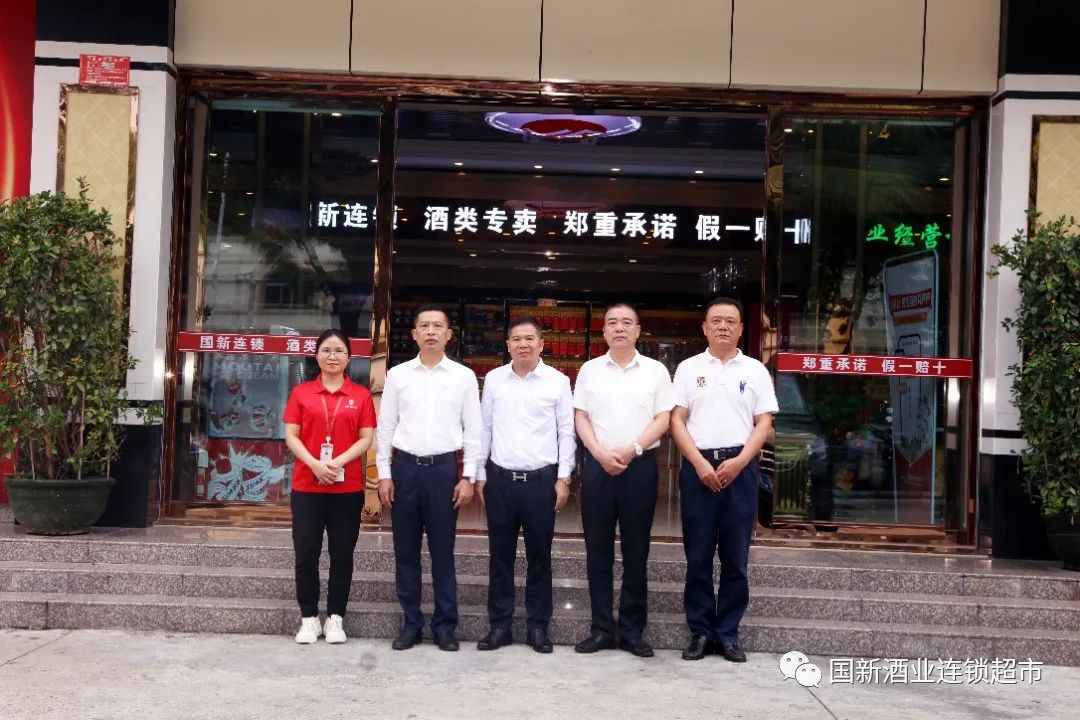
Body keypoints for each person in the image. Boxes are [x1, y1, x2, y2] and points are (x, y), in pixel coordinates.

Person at [669, 297, 778, 662]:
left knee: (736, 557)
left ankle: (728, 633)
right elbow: (676, 421)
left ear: (741, 329)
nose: (723, 326)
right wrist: (699, 463)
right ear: (704, 328)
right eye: (715, 320)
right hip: (698, 467)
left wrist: (740, 462)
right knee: (698, 555)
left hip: (741, 469)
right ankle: (700, 631)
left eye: (730, 321)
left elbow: (764, 423)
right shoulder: (688, 368)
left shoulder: (755, 370)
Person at [376, 305, 481, 652]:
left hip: (443, 472)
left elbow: (474, 430)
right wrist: (384, 474)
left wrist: (468, 476)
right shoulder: (398, 375)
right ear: (414, 334)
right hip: (405, 470)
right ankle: (411, 623)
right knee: (405, 552)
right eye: (424, 326)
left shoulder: (464, 377)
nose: (431, 331)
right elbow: (386, 427)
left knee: (442, 552)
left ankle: (445, 626)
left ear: (449, 334)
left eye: (438, 326)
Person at [572, 303, 674, 658]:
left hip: (639, 468)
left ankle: (632, 631)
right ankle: (601, 629)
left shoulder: (656, 371)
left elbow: (663, 418)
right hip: (598, 467)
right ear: (603, 331)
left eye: (626, 322)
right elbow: (581, 416)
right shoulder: (589, 370)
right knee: (597, 551)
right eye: (612, 323)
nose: (619, 328)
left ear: (637, 330)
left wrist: (632, 450)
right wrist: (599, 453)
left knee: (636, 550)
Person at [476, 316, 575, 654]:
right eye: (516, 339)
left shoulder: (558, 382)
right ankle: (499, 626)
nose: (523, 344)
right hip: (501, 480)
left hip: (540, 482)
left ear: (541, 344)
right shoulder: (494, 380)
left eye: (529, 338)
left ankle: (538, 627)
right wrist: (480, 473)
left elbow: (566, 432)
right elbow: (485, 429)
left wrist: (563, 478)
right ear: (507, 345)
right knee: (499, 558)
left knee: (540, 558)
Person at [283, 329, 376, 644]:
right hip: (307, 487)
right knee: (306, 552)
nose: (332, 356)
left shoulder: (360, 395)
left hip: (346, 489)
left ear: (349, 357)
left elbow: (366, 438)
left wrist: (336, 463)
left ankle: (336, 618)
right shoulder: (301, 393)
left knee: (342, 554)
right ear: (316, 355)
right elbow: (291, 435)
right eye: (326, 350)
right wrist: (315, 464)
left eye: (339, 351)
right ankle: (309, 618)